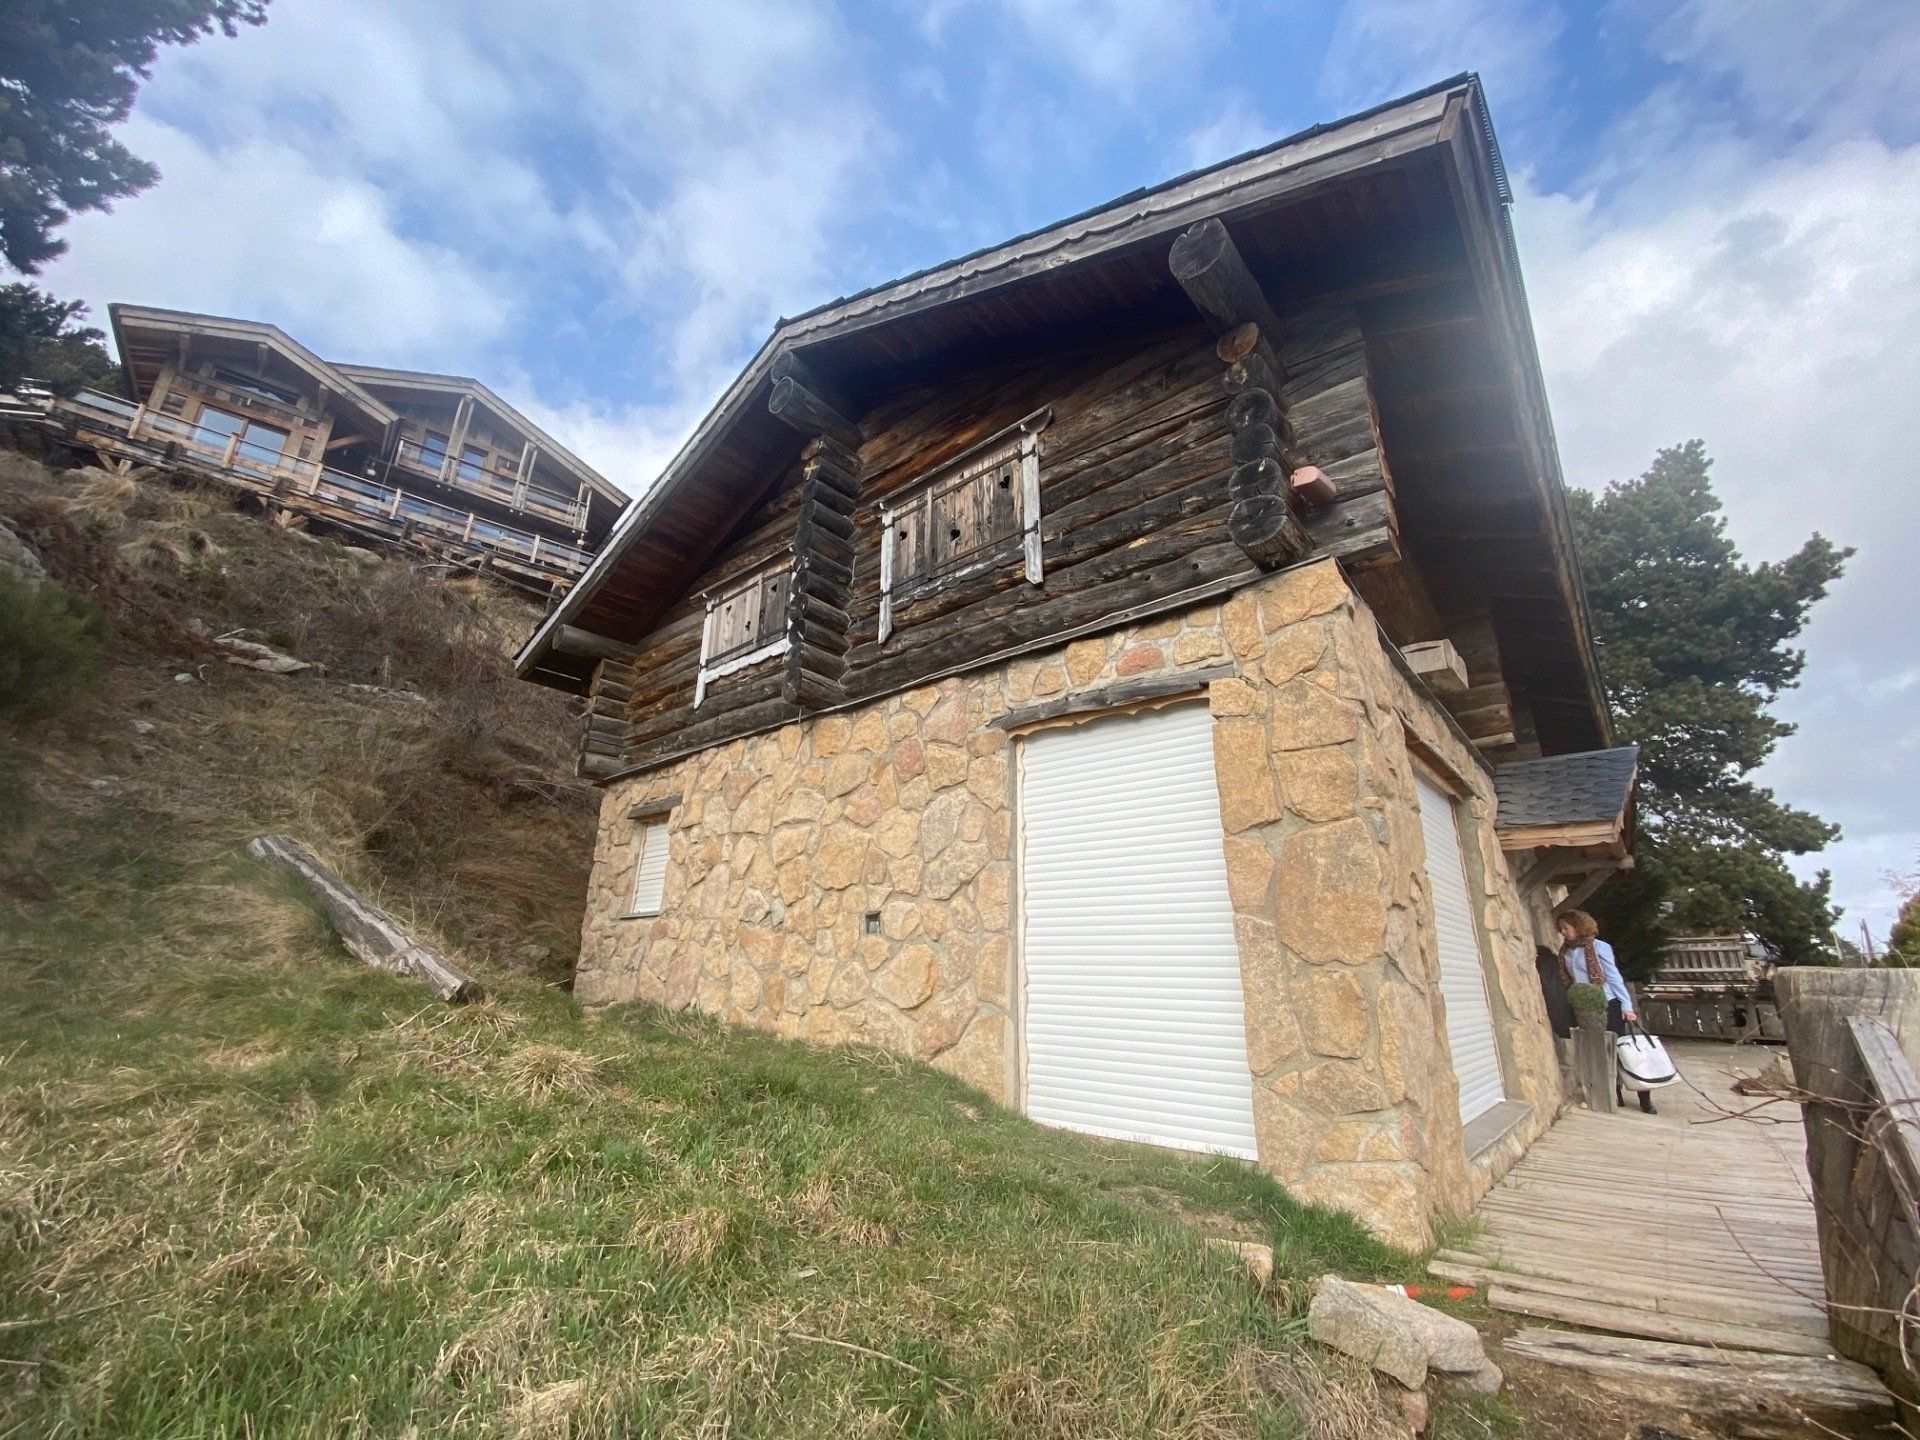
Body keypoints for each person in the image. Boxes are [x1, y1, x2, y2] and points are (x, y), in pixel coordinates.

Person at [1556, 909, 1644, 1111]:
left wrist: (1626, 1005)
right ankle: (1613, 1094)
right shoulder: (1566, 951)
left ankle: (1643, 1095)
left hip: (1608, 1001)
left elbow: (1613, 976)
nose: (1563, 932)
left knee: (1620, 1048)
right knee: (1598, 1050)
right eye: (1561, 929)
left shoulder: (1598, 947)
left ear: (1578, 926)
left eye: (1566, 928)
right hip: (1586, 1007)